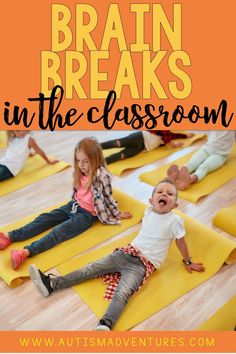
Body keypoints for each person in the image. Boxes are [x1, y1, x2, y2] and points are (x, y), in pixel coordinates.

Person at [28, 178, 204, 331]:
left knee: (122, 292)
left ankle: (105, 324)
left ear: (175, 205)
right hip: (126, 252)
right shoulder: (148, 211)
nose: (164, 195)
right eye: (160, 192)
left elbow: (180, 241)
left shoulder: (175, 221)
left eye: (170, 194)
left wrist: (188, 261)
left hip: (142, 265)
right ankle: (52, 283)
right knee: (90, 268)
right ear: (151, 200)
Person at [0, 137, 132, 269]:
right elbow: (78, 192)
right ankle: (10, 237)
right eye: (79, 160)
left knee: (58, 232)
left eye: (86, 161)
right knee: (45, 218)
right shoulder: (80, 171)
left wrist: (116, 213)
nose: (81, 165)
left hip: (86, 216)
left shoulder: (102, 176)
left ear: (96, 159)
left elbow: (108, 196)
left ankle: (25, 252)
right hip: (73, 205)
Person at [167, 131, 235, 190]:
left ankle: (190, 179)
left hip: (220, 154)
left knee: (203, 167)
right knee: (191, 163)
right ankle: (178, 174)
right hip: (206, 148)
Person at [101, 130, 195, 164]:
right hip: (139, 138)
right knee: (117, 143)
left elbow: (174, 135)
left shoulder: (169, 134)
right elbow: (168, 142)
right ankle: (96, 146)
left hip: (141, 148)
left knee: (121, 156)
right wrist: (175, 145)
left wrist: (186, 135)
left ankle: (101, 163)